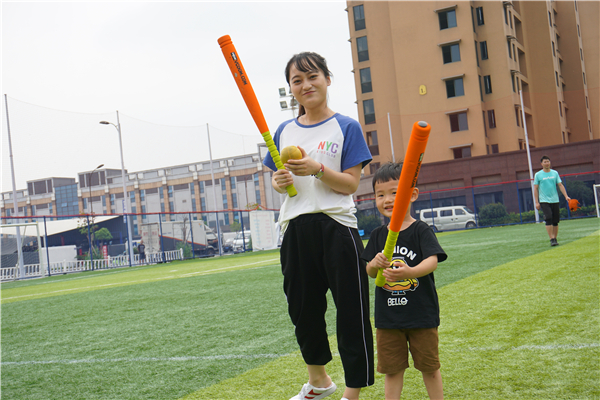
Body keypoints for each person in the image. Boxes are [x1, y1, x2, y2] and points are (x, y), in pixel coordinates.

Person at [263, 52, 374, 400]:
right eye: (297, 80)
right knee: (303, 310)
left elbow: (351, 184)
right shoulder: (283, 131)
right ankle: (319, 382)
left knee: (351, 311)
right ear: (291, 89)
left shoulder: (345, 127)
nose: (305, 85)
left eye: (312, 77)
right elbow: (276, 180)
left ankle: (353, 392)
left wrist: (316, 169)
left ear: (327, 79)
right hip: (295, 228)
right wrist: (279, 182)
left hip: (336, 227)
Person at [361, 162, 447, 400]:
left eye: (394, 192)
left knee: (429, 367)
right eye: (380, 195)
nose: (387, 199)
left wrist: (410, 272)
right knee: (392, 370)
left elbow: (432, 261)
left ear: (413, 195)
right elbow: (369, 271)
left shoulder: (421, 230)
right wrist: (374, 265)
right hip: (388, 319)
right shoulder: (378, 235)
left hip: (421, 314)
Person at [533, 155, 570, 246]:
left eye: (548, 161)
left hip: (555, 200)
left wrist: (566, 196)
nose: (547, 163)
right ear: (541, 164)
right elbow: (535, 188)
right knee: (548, 217)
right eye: (545, 162)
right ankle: (551, 238)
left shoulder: (555, 173)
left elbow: (560, 185)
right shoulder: (538, 175)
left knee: (555, 220)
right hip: (544, 200)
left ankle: (555, 238)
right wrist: (537, 202)